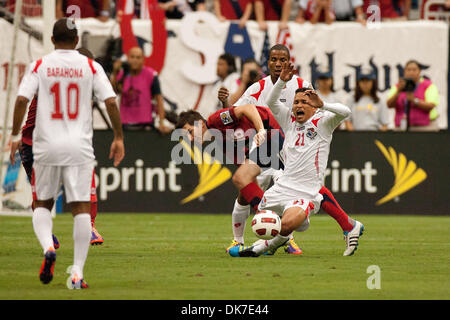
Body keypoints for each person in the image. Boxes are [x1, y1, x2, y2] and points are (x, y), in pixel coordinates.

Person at [10, 18, 125, 289]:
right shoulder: (90, 66)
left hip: (46, 145)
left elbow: (21, 100)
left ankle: (49, 247)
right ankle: (77, 273)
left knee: (42, 204)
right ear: (77, 41)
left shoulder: (39, 66)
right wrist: (118, 136)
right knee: (81, 209)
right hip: (79, 146)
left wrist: (15, 135)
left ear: (51, 39)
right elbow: (110, 101)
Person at [232, 44, 363, 256]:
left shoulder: (323, 122)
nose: (299, 105)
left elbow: (345, 112)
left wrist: (324, 104)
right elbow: (271, 102)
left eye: (304, 102)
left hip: (305, 193)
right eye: (296, 102)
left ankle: (260, 248)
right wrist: (282, 82)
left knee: (287, 226)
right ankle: (241, 240)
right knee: (244, 186)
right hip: (281, 186)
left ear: (313, 105)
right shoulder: (289, 120)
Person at [175, 105, 294, 253]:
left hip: (270, 134)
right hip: (262, 147)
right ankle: (239, 241)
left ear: (199, 123)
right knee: (244, 192)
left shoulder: (215, 120)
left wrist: (261, 130)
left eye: (190, 132)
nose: (191, 139)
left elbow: (248, 108)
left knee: (245, 179)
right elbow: (245, 173)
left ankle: (281, 231)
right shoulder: (221, 142)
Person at [18, 48, 106, 247]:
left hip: (56, 143)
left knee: (85, 175)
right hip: (34, 144)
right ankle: (49, 234)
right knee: (42, 197)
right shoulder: (55, 82)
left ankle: (89, 226)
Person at [110, 46, 172, 133]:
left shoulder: (151, 75)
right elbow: (112, 92)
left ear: (143, 60)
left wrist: (161, 122)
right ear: (128, 58)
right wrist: (115, 72)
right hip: (125, 124)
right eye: (132, 57)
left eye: (138, 57)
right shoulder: (122, 74)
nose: (135, 60)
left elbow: (159, 99)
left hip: (145, 123)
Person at [386, 60, 440, 131]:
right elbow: (389, 105)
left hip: (425, 126)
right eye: (408, 70)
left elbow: (431, 105)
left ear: (420, 71)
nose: (411, 72)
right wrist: (398, 91)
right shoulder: (398, 86)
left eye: (414, 70)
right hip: (402, 125)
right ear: (404, 71)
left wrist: (414, 100)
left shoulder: (428, 85)